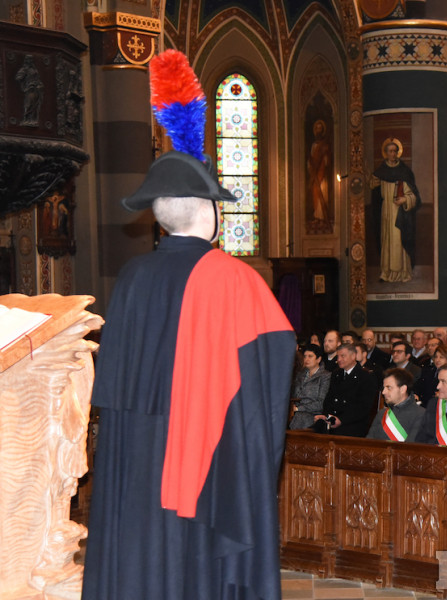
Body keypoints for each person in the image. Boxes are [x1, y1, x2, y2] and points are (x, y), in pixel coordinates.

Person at [83, 151, 295, 600]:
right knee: (193, 565)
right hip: (204, 455)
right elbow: (269, 368)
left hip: (135, 454)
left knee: (141, 555)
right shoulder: (233, 279)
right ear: (206, 210)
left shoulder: (131, 276)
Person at [370, 137, 421, 282]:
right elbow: (373, 186)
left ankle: (402, 273)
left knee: (398, 241)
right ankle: (386, 273)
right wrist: (372, 181)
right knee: (387, 240)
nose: (392, 154)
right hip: (386, 211)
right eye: (390, 151)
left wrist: (405, 200)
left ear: (398, 153)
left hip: (400, 214)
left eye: (395, 151)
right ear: (385, 153)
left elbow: (414, 196)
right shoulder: (381, 171)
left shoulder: (404, 172)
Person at [314, 343, 379, 437]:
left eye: (343, 356)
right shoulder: (336, 374)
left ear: (353, 356)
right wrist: (326, 416)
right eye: (338, 356)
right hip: (333, 421)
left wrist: (341, 420)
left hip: (352, 424)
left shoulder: (366, 376)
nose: (339, 359)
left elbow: (363, 407)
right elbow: (329, 399)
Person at [367, 368, 425, 442]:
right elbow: (369, 444)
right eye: (383, 388)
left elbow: (412, 449)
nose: (383, 392)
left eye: (389, 388)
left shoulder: (421, 414)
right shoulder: (382, 414)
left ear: (403, 389)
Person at [289, 343, 331, 429]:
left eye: (310, 356)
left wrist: (298, 408)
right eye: (305, 356)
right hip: (294, 412)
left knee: (300, 419)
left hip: (312, 414)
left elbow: (321, 402)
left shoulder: (325, 376)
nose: (306, 359)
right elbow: (293, 394)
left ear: (318, 359)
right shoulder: (300, 374)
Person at [307, 118, 331, 230]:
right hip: (315, 173)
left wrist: (325, 158)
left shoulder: (325, 144)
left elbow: (327, 160)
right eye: (317, 128)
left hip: (322, 173)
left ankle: (322, 218)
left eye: (320, 128)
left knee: (323, 191)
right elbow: (311, 158)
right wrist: (310, 166)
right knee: (315, 193)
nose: (318, 130)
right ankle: (316, 216)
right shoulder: (314, 145)